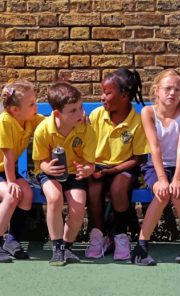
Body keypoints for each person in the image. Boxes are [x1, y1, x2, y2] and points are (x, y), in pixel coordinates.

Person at [131, 69, 180, 266]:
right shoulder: (147, 112)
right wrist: (163, 179)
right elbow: (154, 147)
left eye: (177, 89)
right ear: (156, 90)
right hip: (155, 167)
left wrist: (177, 178)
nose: (172, 93)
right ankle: (141, 247)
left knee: (178, 193)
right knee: (162, 193)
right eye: (168, 88)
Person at [85, 68, 149, 261]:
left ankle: (121, 236)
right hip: (98, 167)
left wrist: (112, 170)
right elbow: (85, 146)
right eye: (102, 92)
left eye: (107, 92)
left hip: (125, 167)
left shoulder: (137, 122)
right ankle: (99, 235)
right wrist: (93, 168)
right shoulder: (97, 115)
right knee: (93, 188)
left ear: (124, 96)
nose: (102, 97)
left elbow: (138, 159)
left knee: (118, 188)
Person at [32, 81, 96, 266]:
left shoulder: (86, 129)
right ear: (57, 113)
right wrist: (47, 168)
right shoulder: (43, 130)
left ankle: (66, 246)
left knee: (78, 206)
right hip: (49, 173)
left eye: (80, 107)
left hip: (74, 173)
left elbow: (90, 164)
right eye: (73, 110)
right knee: (54, 198)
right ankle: (57, 247)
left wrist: (86, 169)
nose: (80, 113)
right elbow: (40, 162)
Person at [0, 79, 44, 263]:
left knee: (26, 195)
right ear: (15, 110)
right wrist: (11, 183)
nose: (37, 106)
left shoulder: (30, 119)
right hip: (4, 170)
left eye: (36, 101)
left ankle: (12, 239)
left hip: (5, 171)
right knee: (12, 196)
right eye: (32, 104)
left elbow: (51, 123)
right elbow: (8, 156)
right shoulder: (5, 121)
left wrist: (71, 117)